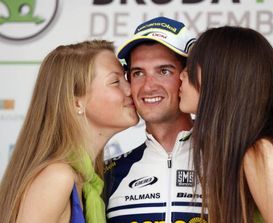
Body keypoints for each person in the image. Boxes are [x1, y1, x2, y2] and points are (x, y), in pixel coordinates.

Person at [179, 26, 273, 223]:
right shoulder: (261, 146)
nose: (181, 75)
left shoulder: (264, 152)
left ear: (221, 74)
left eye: (191, 66)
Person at [0, 40, 138, 223]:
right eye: (115, 81)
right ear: (76, 103)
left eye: (126, 78)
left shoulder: (88, 180)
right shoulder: (58, 178)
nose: (131, 89)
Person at [104, 17, 207, 222]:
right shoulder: (108, 174)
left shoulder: (230, 162)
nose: (149, 86)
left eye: (164, 71)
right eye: (138, 73)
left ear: (188, 76)